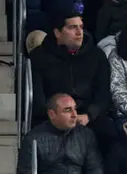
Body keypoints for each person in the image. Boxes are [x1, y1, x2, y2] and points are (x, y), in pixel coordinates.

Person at [30, 11, 115, 148]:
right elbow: (37, 97)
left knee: (110, 133)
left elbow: (104, 95)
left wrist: (88, 115)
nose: (79, 32)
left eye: (81, 27)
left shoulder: (96, 56)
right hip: (53, 117)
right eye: (72, 27)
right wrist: (60, 117)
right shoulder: (40, 56)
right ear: (57, 33)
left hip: (88, 118)